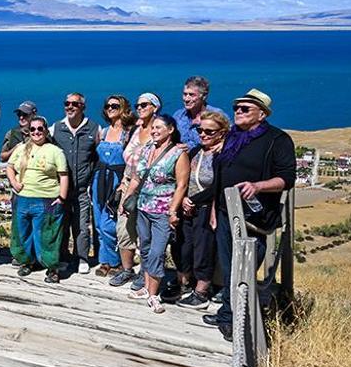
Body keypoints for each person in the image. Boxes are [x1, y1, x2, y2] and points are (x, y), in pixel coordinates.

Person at [204, 89, 296, 341]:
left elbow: (287, 178)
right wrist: (214, 209)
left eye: (245, 109)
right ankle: (227, 314)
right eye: (236, 108)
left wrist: (258, 186)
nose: (238, 112)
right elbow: (220, 178)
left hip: (255, 219)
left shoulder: (277, 140)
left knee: (244, 268)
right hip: (225, 212)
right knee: (228, 266)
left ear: (262, 114)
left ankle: (240, 320)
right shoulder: (233, 136)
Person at [120, 114, 189, 314]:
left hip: (162, 210)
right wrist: (127, 199)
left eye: (159, 127)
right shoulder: (147, 149)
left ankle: (153, 294)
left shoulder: (178, 153)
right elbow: (137, 177)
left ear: (171, 130)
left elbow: (182, 185)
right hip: (142, 207)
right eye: (153, 127)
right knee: (146, 248)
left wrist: (173, 210)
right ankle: (147, 288)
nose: (154, 130)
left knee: (158, 252)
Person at [175, 111, 230, 310]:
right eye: (200, 130)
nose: (203, 134)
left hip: (207, 208)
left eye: (209, 131)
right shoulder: (196, 150)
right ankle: (186, 283)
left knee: (203, 249)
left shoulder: (223, 155)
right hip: (187, 207)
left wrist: (193, 200)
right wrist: (182, 201)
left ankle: (202, 291)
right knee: (185, 246)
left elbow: (219, 184)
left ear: (222, 132)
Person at [6, 116, 69, 284]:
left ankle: (52, 268)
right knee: (22, 233)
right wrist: (14, 183)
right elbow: (10, 166)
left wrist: (62, 198)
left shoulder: (55, 151)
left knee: (48, 235)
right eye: (32, 129)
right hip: (23, 198)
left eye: (40, 129)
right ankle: (27, 262)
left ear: (46, 131)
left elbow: (63, 175)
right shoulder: (21, 149)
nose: (36, 132)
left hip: (47, 199)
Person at [109, 92, 161, 288]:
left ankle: (145, 273)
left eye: (145, 105)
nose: (139, 108)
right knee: (123, 229)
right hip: (128, 184)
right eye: (138, 105)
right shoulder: (134, 130)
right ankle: (127, 269)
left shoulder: (159, 130)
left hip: (150, 189)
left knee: (146, 233)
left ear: (155, 107)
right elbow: (128, 162)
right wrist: (123, 183)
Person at [50, 92, 99, 274]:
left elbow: (97, 156)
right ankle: (62, 256)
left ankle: (82, 257)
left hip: (82, 189)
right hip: (60, 190)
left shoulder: (94, 129)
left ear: (82, 107)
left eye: (75, 104)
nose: (70, 107)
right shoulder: (55, 128)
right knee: (61, 224)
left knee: (81, 226)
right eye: (67, 103)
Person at [91, 95, 135, 277]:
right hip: (99, 178)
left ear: (123, 108)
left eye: (115, 106)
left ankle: (116, 261)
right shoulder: (102, 132)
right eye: (108, 106)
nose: (110, 108)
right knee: (99, 223)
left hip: (117, 180)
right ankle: (105, 260)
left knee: (110, 223)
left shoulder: (129, 133)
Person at [173, 76, 228, 152]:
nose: (186, 99)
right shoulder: (178, 116)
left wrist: (223, 143)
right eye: (185, 94)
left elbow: (232, 136)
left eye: (191, 95)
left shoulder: (216, 114)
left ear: (204, 96)